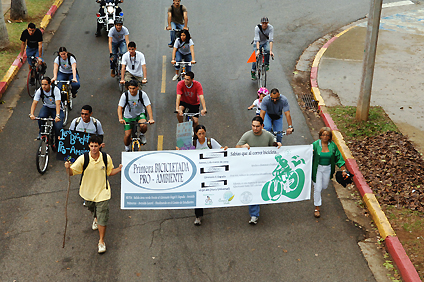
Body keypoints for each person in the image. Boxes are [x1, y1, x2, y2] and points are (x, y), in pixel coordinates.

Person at [64, 135, 122, 254]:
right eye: (92, 146)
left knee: (103, 216)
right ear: (89, 146)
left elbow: (110, 172)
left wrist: (119, 169)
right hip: (87, 193)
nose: (94, 148)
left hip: (103, 192)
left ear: (100, 146)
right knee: (92, 208)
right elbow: (71, 173)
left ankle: (101, 241)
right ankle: (95, 217)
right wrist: (67, 168)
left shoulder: (106, 158)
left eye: (96, 146)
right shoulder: (83, 158)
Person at [236, 116, 281, 224]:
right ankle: (254, 215)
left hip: (264, 168)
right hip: (250, 168)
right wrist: (242, 146)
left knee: (262, 188)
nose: (255, 128)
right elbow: (236, 147)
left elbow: (274, 146)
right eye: (253, 126)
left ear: (262, 126)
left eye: (257, 126)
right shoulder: (247, 135)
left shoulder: (268, 135)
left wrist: (278, 145)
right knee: (253, 188)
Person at [188, 125, 228, 225]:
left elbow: (221, 150)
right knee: (198, 193)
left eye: (203, 133)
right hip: (197, 173)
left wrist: (225, 149)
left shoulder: (211, 142)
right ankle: (198, 216)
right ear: (196, 134)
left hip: (210, 172)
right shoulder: (193, 143)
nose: (201, 136)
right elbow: (185, 153)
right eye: (199, 134)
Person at [312, 127, 347, 218]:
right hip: (317, 169)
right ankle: (317, 207)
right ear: (320, 136)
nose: (325, 137)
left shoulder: (332, 146)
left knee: (324, 186)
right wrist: (310, 153)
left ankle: (317, 188)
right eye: (323, 135)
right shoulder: (315, 145)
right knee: (318, 188)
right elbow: (307, 155)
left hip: (328, 169)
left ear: (329, 137)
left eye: (327, 135)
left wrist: (343, 170)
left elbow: (338, 157)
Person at [117, 80, 154, 151]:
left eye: (133, 88)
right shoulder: (125, 95)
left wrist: (151, 118)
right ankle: (127, 148)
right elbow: (120, 107)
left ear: (137, 88)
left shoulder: (142, 94)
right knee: (127, 135)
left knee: (144, 125)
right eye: (130, 88)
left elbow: (148, 106)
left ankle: (142, 134)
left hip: (139, 114)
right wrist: (120, 118)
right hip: (128, 116)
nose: (131, 90)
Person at [29, 76, 64, 148]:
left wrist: (57, 116)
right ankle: (41, 133)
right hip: (47, 107)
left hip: (56, 109)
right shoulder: (40, 90)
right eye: (42, 84)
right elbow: (35, 102)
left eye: (45, 84)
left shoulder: (55, 90)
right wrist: (31, 114)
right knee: (41, 117)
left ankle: (57, 144)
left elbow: (58, 104)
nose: (43, 86)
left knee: (58, 127)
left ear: (50, 84)